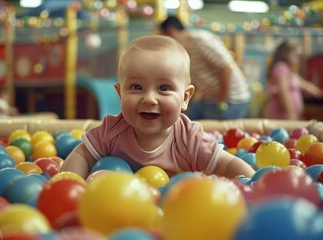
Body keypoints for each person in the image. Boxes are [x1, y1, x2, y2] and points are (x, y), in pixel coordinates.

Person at [61, 35, 255, 179]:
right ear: (120, 94)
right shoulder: (112, 131)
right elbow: (82, 154)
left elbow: (227, 163)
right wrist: (71, 184)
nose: (149, 98)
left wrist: (252, 184)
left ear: (185, 98)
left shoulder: (189, 138)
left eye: (164, 88)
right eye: (136, 87)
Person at [159, 15, 251, 120]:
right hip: (208, 98)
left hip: (231, 99)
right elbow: (194, 81)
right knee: (186, 120)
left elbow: (226, 68)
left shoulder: (200, 41)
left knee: (216, 134)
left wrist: (221, 101)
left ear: (171, 32)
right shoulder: (186, 48)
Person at [262, 39, 323, 120]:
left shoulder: (290, 71)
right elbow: (283, 91)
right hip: (280, 115)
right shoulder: (281, 67)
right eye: (295, 54)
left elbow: (304, 84)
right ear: (284, 53)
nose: (298, 57)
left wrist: (319, 92)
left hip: (287, 115)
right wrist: (290, 112)